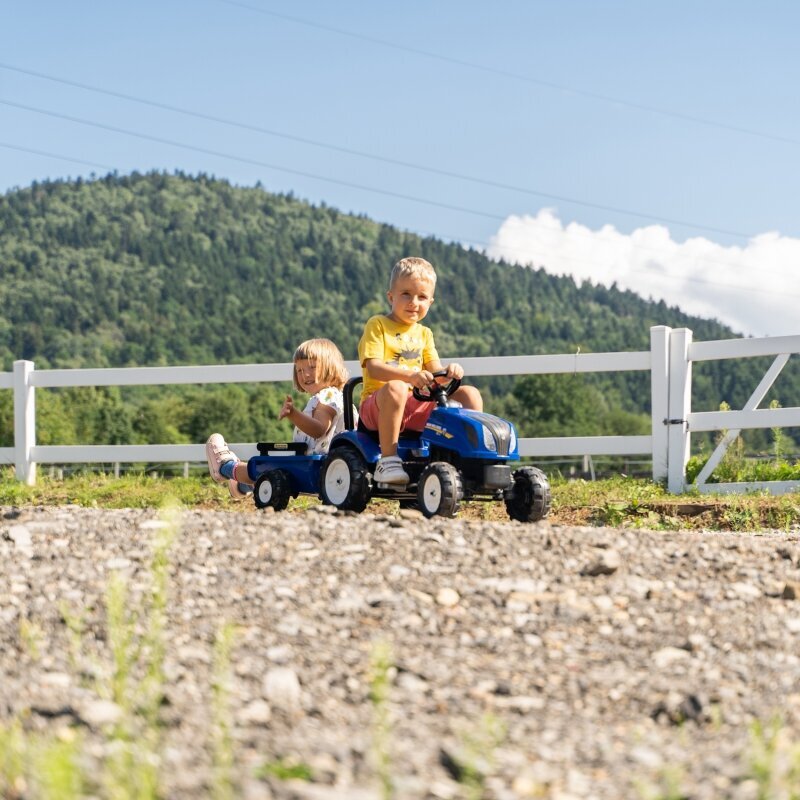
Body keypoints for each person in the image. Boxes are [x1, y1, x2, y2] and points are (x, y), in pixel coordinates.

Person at [358, 256, 483, 485]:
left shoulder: (424, 334)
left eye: (422, 296)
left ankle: (469, 459)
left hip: (415, 404)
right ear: (391, 296)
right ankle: (388, 460)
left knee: (469, 394)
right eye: (406, 294)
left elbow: (436, 375)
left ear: (430, 302)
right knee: (396, 387)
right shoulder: (378, 325)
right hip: (378, 405)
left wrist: (449, 372)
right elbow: (374, 368)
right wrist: (410, 376)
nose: (414, 302)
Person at [206, 337, 352, 499]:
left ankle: (225, 467)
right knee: (275, 472)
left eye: (312, 367)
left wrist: (293, 414)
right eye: (299, 370)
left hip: (315, 463)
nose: (305, 374)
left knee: (265, 466)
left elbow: (318, 429)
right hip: (326, 462)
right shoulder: (339, 396)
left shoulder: (328, 395)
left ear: (330, 367)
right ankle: (242, 486)